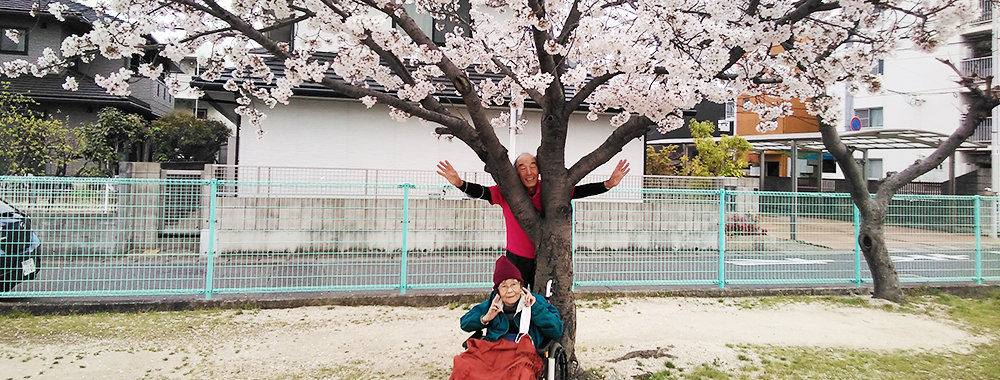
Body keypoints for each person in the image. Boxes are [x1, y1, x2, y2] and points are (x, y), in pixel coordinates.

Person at [437, 153, 629, 290]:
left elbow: (578, 191)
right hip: (516, 258)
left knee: (540, 302)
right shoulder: (508, 192)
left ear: (539, 169)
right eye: (522, 167)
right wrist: (460, 184)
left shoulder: (548, 189)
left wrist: (608, 185)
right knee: (513, 300)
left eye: (533, 165)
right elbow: (483, 192)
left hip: (545, 257)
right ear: (516, 172)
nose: (528, 171)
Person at [450, 256, 563, 380]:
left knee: (522, 373)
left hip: (522, 352)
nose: (510, 290)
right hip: (494, 349)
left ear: (521, 286)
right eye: (504, 286)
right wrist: (485, 318)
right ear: (497, 290)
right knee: (463, 364)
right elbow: (464, 323)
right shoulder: (492, 303)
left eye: (514, 284)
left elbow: (556, 330)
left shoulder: (535, 301)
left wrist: (535, 308)